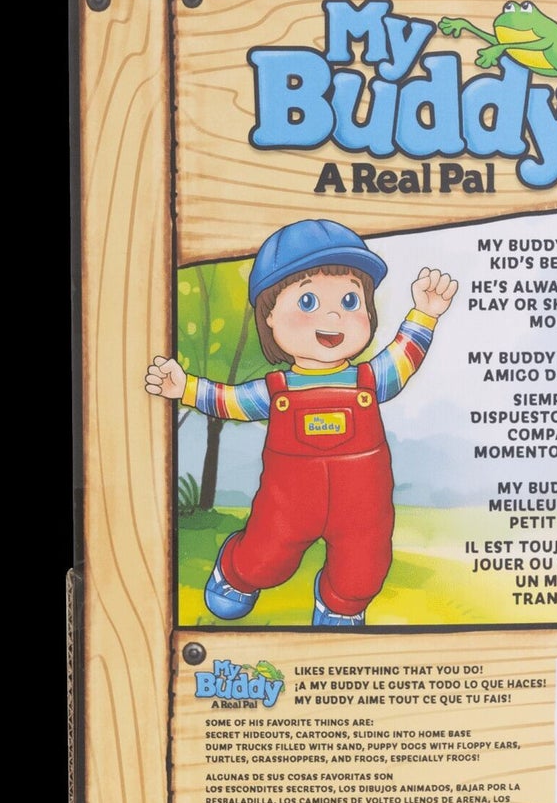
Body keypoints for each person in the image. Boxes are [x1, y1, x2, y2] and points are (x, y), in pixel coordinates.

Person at [146, 218, 456, 626]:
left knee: (363, 569)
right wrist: (185, 387)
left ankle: (341, 606)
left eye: (351, 300)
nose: (334, 315)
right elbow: (231, 401)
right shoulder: (274, 391)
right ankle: (236, 573)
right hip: (286, 509)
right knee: (264, 560)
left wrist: (425, 314)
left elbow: (404, 356)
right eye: (307, 301)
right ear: (269, 316)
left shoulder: (372, 378)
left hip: (362, 510)